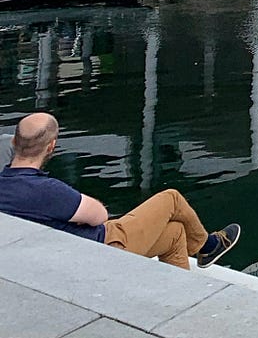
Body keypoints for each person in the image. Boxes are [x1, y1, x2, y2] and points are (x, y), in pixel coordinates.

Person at [0, 113, 239, 270]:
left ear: (13, 143)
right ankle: (209, 246)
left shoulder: (5, 185)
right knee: (172, 198)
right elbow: (99, 216)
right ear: (51, 146)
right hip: (103, 248)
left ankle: (182, 296)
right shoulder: (48, 190)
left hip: (70, 252)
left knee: (175, 233)